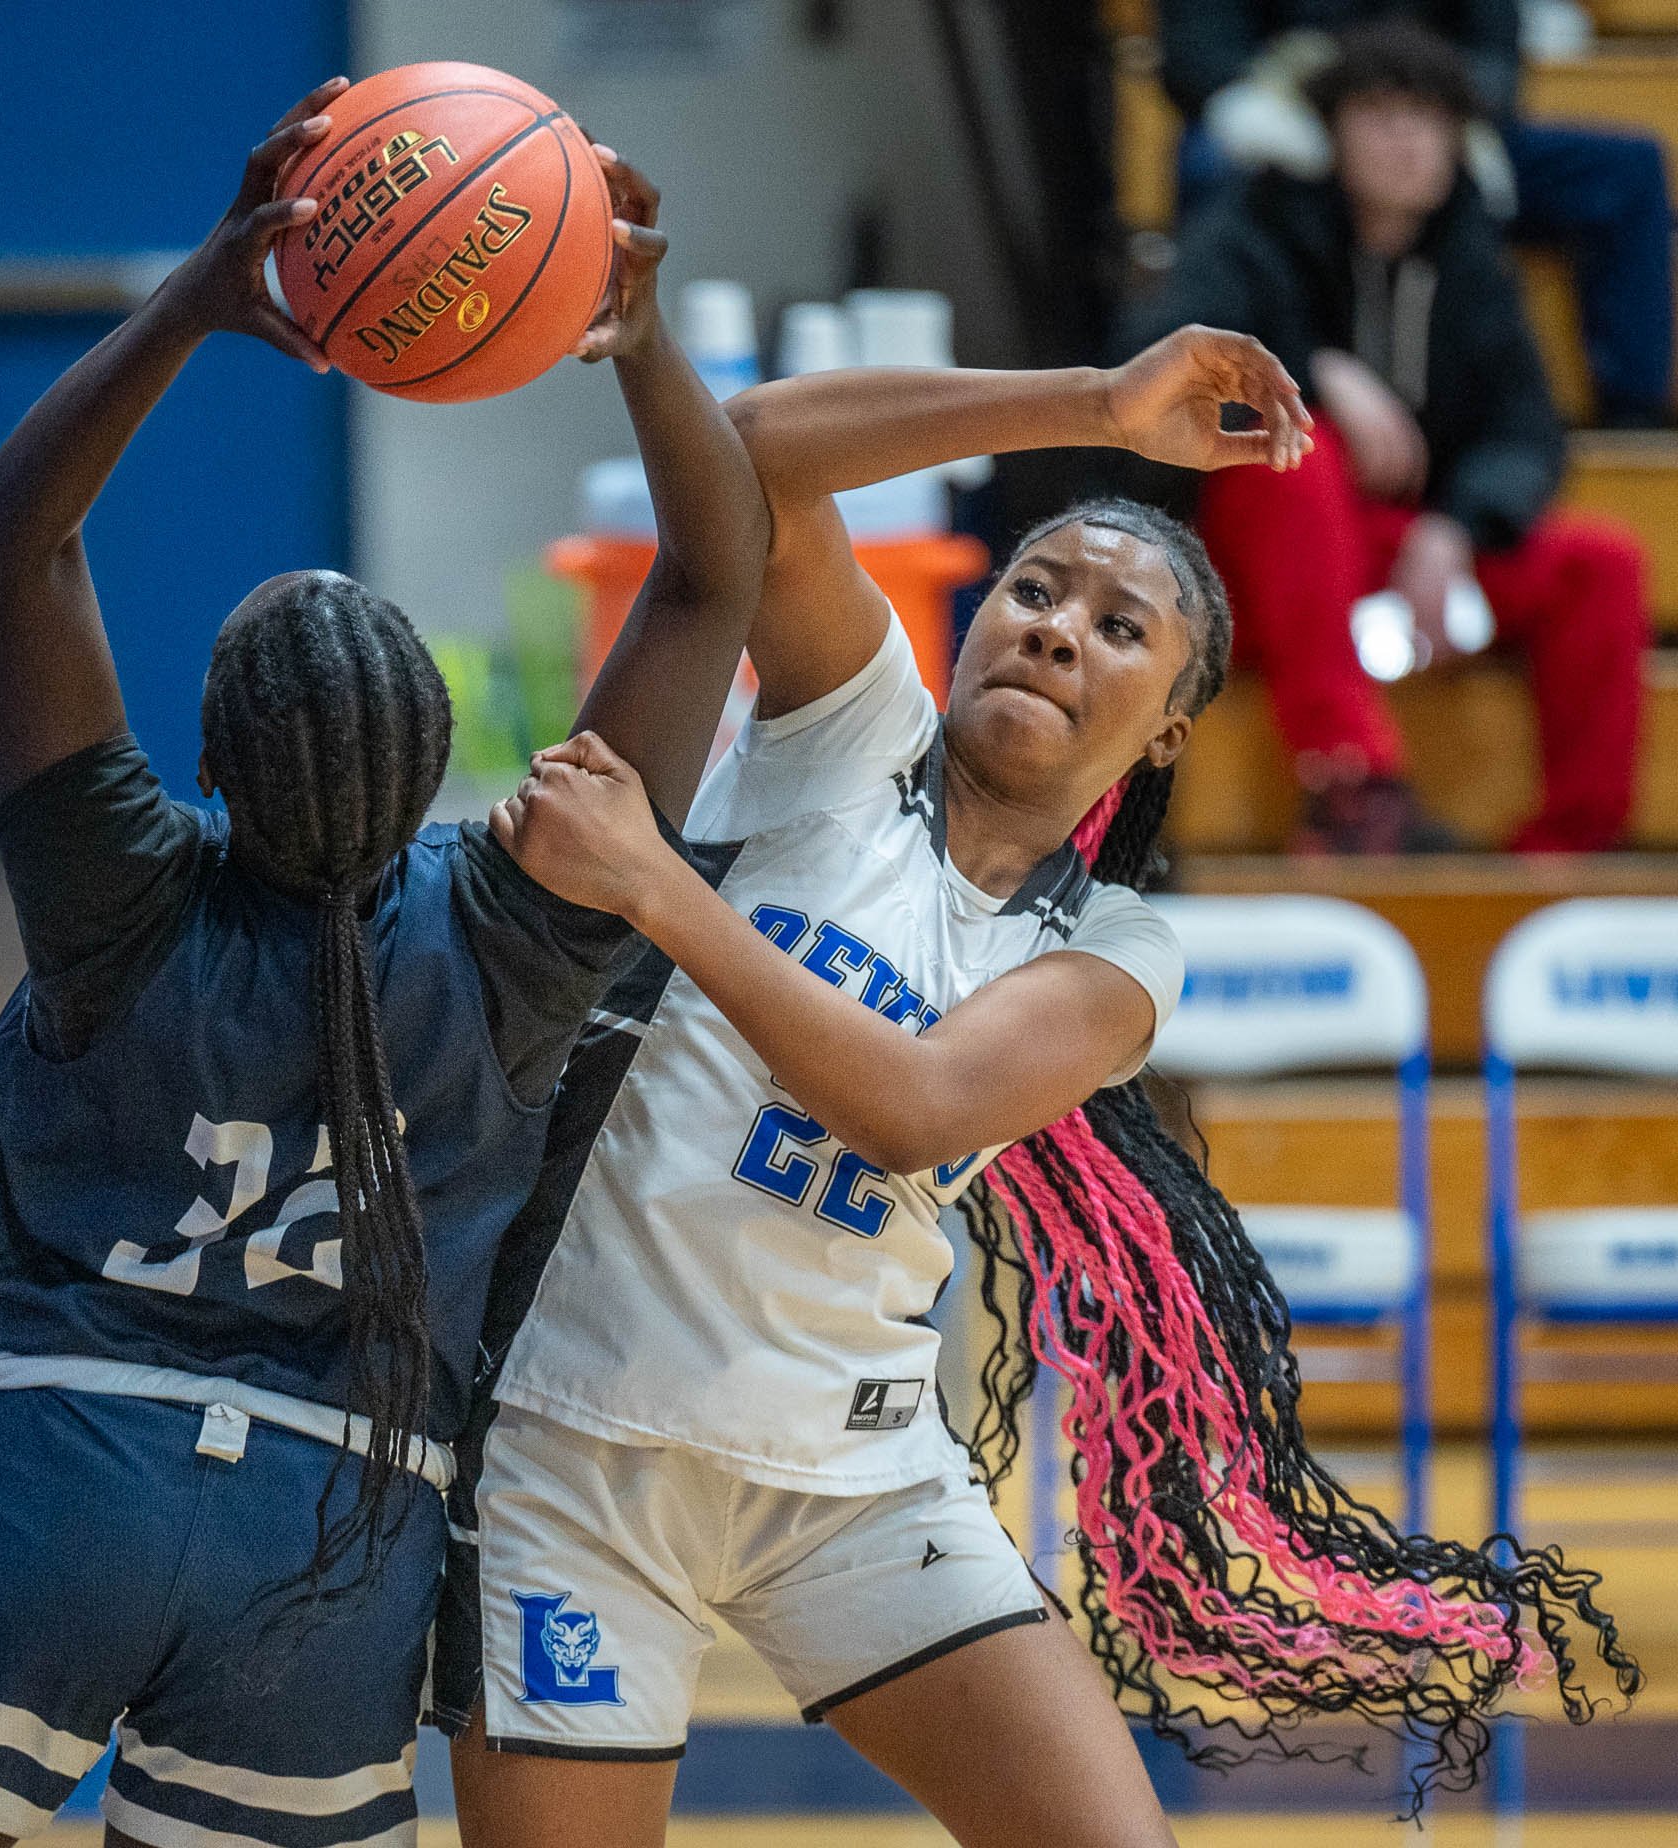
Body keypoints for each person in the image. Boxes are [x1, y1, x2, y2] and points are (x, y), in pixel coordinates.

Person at [0, 82, 769, 1848]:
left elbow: (15, 529)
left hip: (58, 1481)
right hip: (337, 1545)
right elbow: (705, 586)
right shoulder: (515, 929)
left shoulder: (122, 888)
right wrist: (642, 336)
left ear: (199, 767)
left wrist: (211, 294)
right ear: (443, 765)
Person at [435, 333, 1638, 1848]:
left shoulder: (1120, 950)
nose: (1061, 631)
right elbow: (749, 457)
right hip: (580, 1439)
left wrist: (661, 893)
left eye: (1120, 627)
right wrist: (1094, 410)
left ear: (1172, 728)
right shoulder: (849, 728)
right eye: (1036, 591)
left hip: (852, 1476)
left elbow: (922, 1108)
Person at [1133, 21, 1649, 852]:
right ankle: (1350, 785)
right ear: (1332, 134)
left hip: (1401, 559)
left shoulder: (1474, 260)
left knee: (1602, 566)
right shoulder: (1252, 226)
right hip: (1255, 567)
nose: (1407, 139)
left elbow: (1526, 432)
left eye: (1428, 118)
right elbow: (1166, 365)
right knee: (1295, 458)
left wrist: (1456, 528)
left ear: (1459, 139)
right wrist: (1313, 370)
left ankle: (1573, 848)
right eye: (1379, 114)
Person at [1158, 0, 1676, 429]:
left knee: (1626, 169)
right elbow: (1196, 58)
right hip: (1285, 114)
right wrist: (1316, 104)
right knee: (1210, 161)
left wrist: (1421, 102)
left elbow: (1498, 63)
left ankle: (1632, 415)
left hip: (1439, 107)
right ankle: (1226, 397)